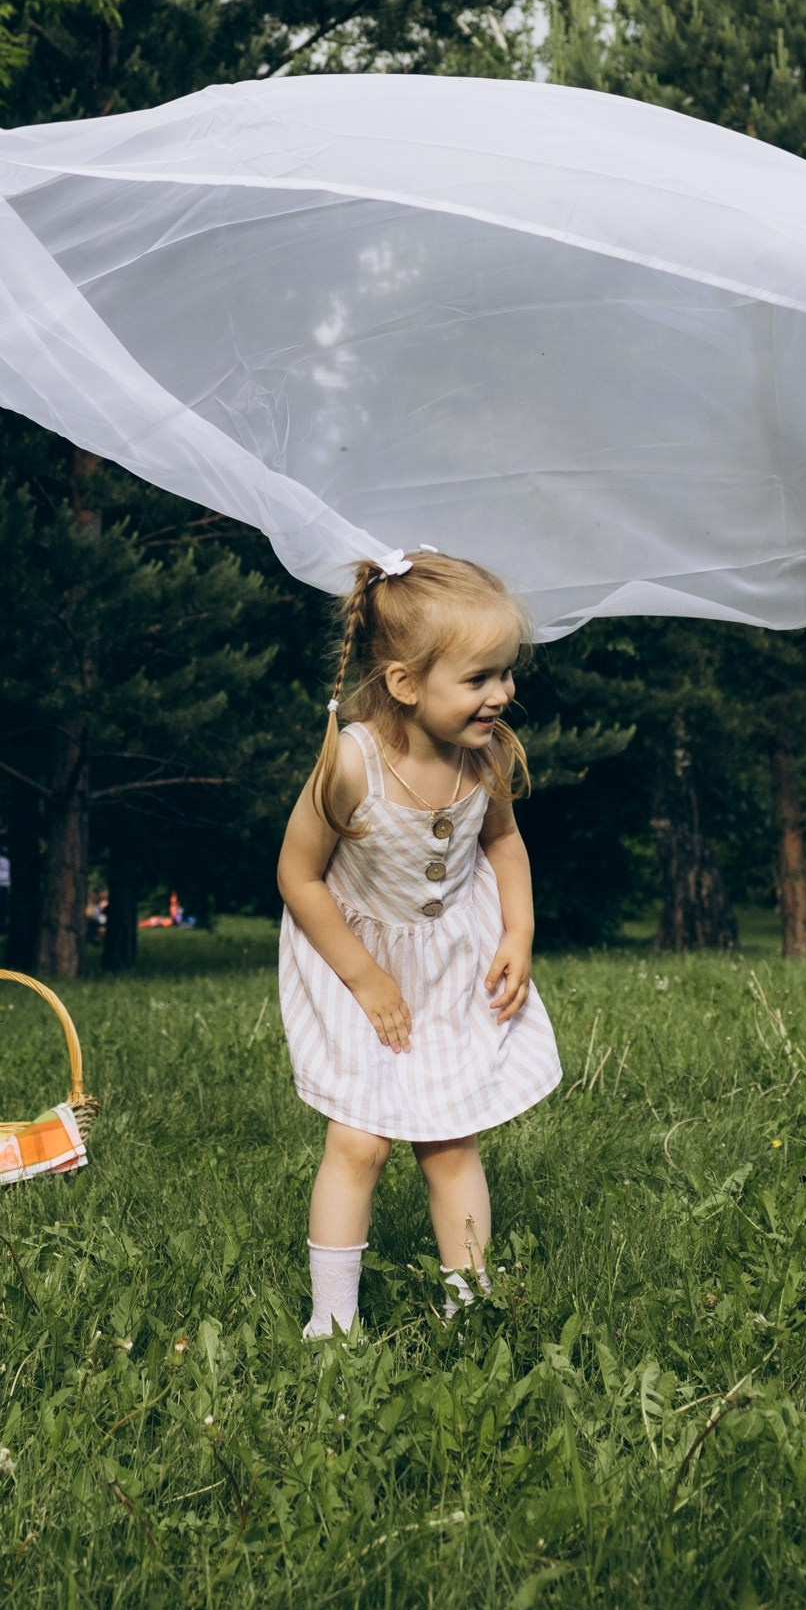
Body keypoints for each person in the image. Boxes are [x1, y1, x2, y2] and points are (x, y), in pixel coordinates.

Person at [275, 550, 561, 1338]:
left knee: (448, 1138)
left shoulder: (488, 752)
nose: (501, 694)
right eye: (478, 679)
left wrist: (519, 929)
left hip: (447, 963)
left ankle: (472, 1306)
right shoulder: (353, 764)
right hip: (353, 960)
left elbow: (503, 844)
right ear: (405, 682)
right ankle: (331, 1323)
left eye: (505, 673)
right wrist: (365, 979)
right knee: (359, 1141)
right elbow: (299, 878)